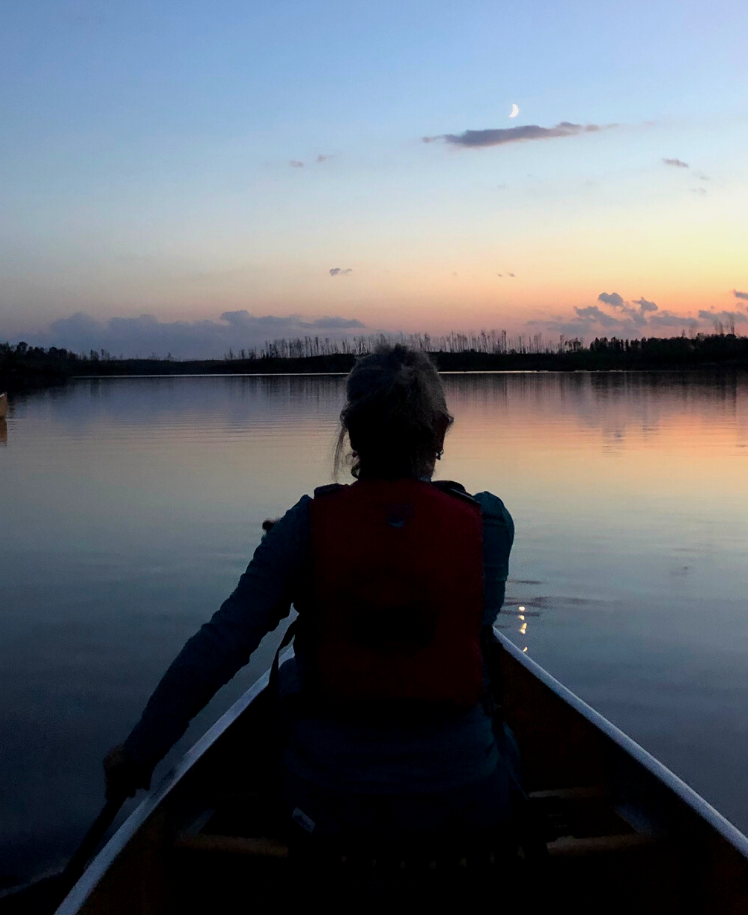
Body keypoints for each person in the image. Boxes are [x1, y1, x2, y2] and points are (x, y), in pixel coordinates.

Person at [103, 344, 519, 848]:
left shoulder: (303, 530)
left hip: (327, 810)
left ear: (352, 435)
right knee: (501, 719)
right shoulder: (490, 524)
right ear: (440, 430)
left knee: (294, 678)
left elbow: (221, 645)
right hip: (468, 805)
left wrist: (138, 753)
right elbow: (430, 578)